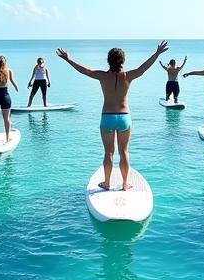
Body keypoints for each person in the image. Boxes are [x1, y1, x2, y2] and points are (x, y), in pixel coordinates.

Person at [56, 41, 168, 190]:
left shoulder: (102, 76)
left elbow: (84, 70)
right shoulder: (128, 76)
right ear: (123, 61)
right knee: (124, 152)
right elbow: (143, 68)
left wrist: (69, 60)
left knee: (108, 153)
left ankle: (107, 183)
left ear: (108, 60)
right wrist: (157, 53)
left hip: (107, 117)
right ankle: (125, 183)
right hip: (124, 117)